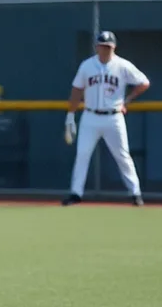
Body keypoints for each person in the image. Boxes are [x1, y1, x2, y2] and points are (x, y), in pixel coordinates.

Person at [63, 31, 150, 206]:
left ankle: (135, 193)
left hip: (114, 117)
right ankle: (76, 193)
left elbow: (144, 82)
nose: (105, 49)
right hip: (90, 115)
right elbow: (76, 89)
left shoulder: (122, 65)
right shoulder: (87, 66)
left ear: (114, 47)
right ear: (96, 47)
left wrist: (128, 100)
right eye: (102, 46)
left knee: (123, 155)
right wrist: (70, 114)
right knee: (82, 154)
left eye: (108, 47)